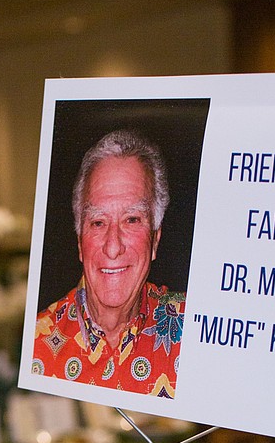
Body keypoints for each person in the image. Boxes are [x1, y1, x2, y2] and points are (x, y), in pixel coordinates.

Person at [32, 129, 184, 397]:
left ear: (155, 240)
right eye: (98, 222)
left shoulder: (196, 332)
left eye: (132, 220)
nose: (113, 247)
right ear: (80, 243)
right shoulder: (36, 345)